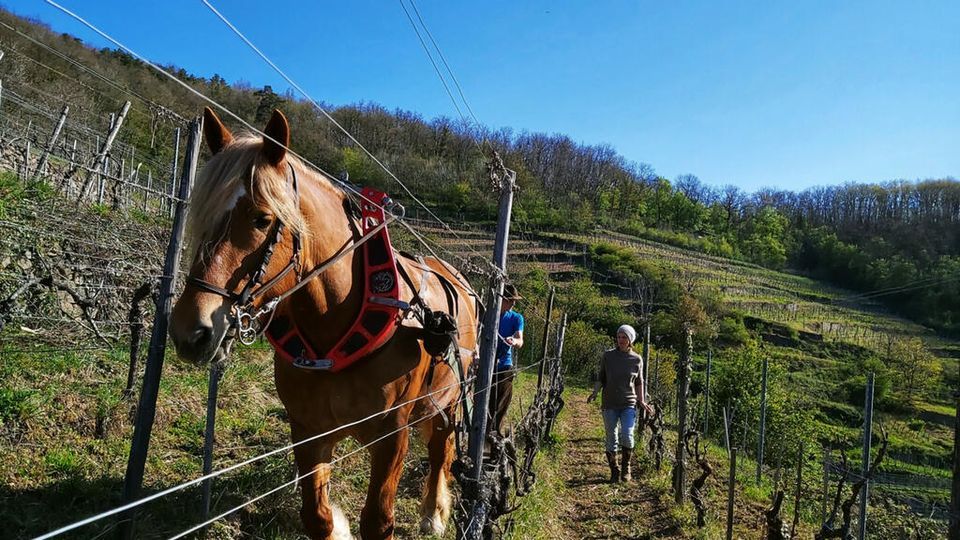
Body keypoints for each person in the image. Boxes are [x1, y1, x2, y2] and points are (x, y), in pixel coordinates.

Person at [587, 324, 652, 483]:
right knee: (611, 437)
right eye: (619, 337)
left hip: (628, 403)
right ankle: (614, 471)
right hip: (609, 403)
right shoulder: (608, 356)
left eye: (624, 337)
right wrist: (595, 392)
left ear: (630, 340)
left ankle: (626, 467)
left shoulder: (636, 359)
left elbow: (639, 381)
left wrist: (641, 400)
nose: (621, 340)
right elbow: (601, 377)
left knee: (628, 435)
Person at [490, 283, 524, 436]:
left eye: (514, 301)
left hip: (504, 366)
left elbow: (519, 339)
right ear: (501, 300)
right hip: (486, 367)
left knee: (499, 406)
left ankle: (495, 437)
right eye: (510, 300)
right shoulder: (488, 316)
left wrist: (513, 341)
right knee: (484, 405)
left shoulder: (516, 318)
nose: (513, 303)